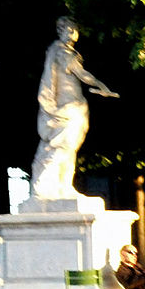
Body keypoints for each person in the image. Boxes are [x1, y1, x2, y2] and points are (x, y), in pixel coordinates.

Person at [31, 16, 119, 201]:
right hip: (66, 109)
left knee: (69, 148)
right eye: (68, 30)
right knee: (61, 146)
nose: (72, 33)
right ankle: (44, 187)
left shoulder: (65, 52)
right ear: (60, 32)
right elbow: (82, 74)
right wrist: (102, 86)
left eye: (74, 29)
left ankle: (64, 186)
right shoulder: (61, 52)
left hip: (75, 108)